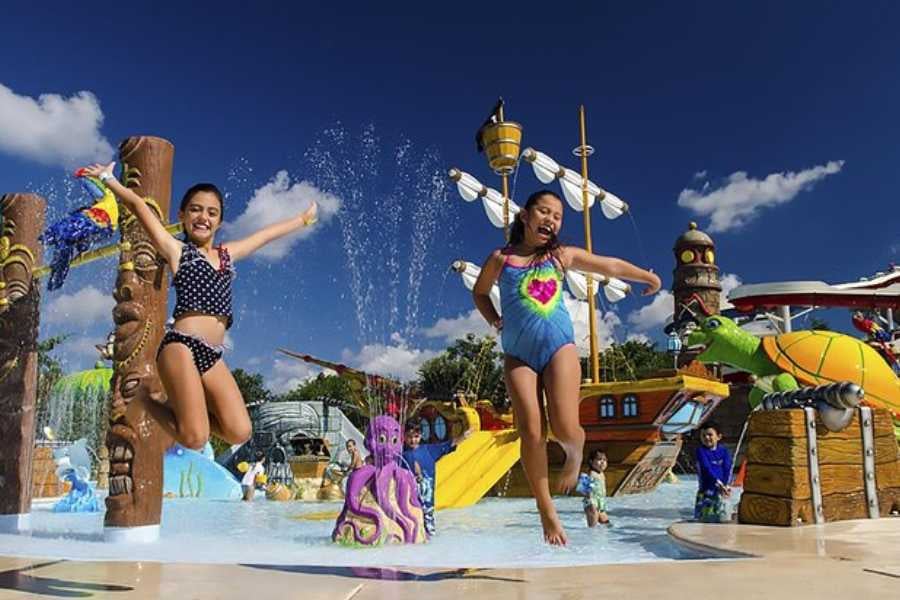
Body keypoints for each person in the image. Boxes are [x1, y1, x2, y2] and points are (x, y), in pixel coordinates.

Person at [79, 162, 317, 451]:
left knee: (239, 431)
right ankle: (141, 398)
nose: (203, 216)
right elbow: (140, 208)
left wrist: (302, 220)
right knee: (195, 438)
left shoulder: (227, 255)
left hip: (212, 355)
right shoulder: (177, 251)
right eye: (195, 209)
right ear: (182, 215)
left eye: (211, 212)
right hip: (180, 346)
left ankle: (188, 412)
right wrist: (108, 179)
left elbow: (263, 236)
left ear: (219, 221)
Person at [472, 189, 660, 545]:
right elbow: (480, 292)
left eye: (557, 216)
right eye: (544, 211)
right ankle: (547, 511)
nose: (551, 220)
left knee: (564, 426)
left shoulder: (560, 256)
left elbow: (609, 265)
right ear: (525, 217)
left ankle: (576, 453)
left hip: (559, 348)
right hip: (518, 355)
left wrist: (645, 277)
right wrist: (494, 319)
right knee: (530, 431)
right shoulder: (500, 259)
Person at [401, 421, 470, 537]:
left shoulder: (429, 450)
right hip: (408, 501)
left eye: (416, 437)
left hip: (427, 501)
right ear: (403, 437)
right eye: (409, 437)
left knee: (428, 529)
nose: (413, 440)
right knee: (411, 528)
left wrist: (463, 437)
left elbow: (448, 445)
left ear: (421, 435)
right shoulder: (401, 454)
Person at [694, 421, 733, 523]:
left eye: (710, 435)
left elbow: (727, 468)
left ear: (719, 437)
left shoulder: (724, 451)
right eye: (703, 435)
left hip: (721, 491)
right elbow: (706, 468)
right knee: (705, 523)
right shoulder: (700, 451)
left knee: (723, 519)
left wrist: (726, 484)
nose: (706, 438)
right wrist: (718, 482)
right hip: (706, 492)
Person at [580, 449, 610, 528]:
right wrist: (590, 503)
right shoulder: (591, 473)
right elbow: (583, 489)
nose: (603, 462)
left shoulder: (602, 474)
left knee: (607, 524)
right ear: (591, 461)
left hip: (600, 502)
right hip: (591, 502)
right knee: (593, 526)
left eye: (604, 460)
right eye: (599, 459)